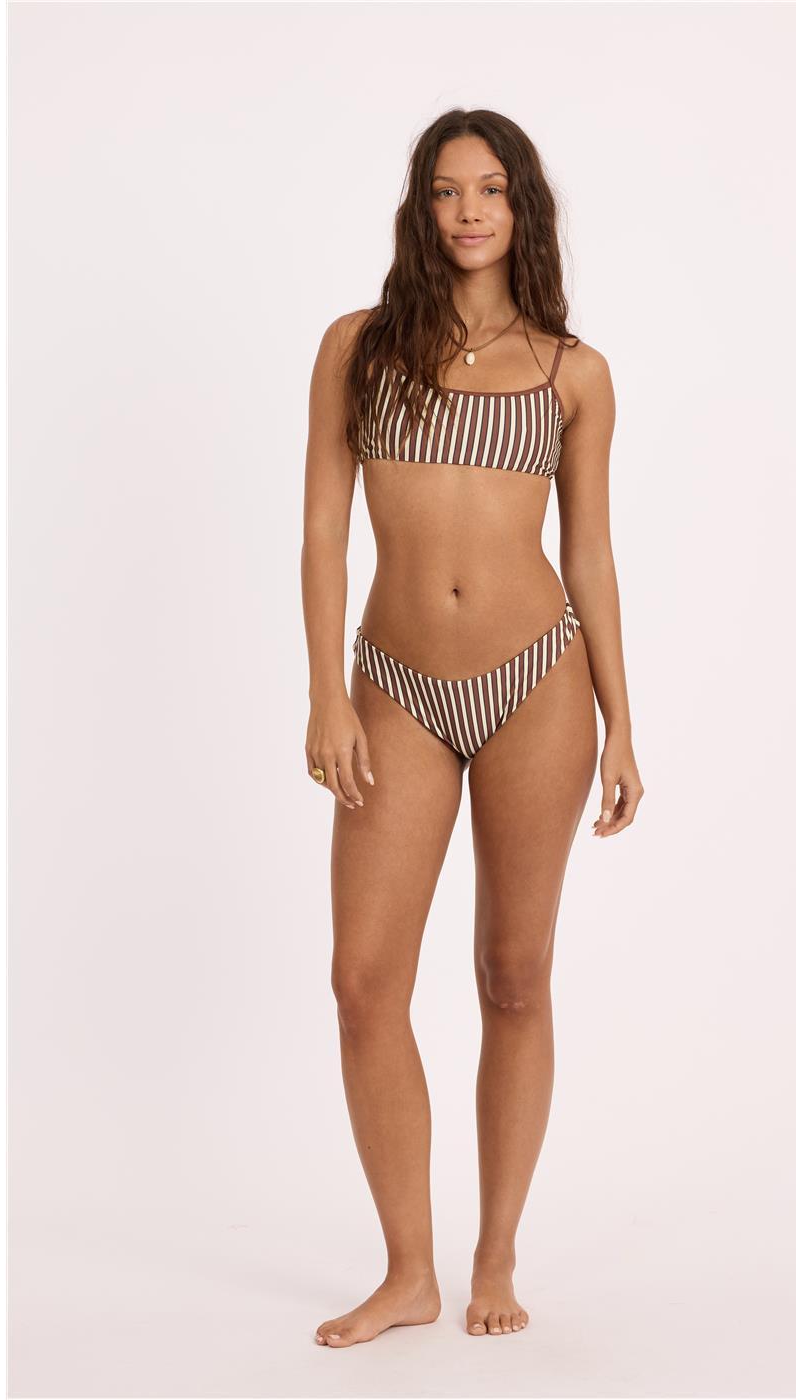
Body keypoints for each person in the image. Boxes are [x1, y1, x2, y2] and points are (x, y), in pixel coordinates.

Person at [301, 108, 643, 1348]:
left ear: (521, 206)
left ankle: (496, 1250)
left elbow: (589, 555)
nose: (468, 212)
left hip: (537, 680)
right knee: (362, 980)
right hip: (393, 682)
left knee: (512, 971)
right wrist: (325, 691)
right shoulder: (356, 348)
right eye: (447, 191)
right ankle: (409, 1270)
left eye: (490, 189)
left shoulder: (571, 372)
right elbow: (322, 533)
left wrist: (621, 721)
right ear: (421, 207)